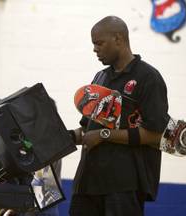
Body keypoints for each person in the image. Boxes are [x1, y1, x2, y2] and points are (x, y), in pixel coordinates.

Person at [69, 16, 170, 216]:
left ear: (118, 39)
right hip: (87, 183)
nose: (94, 49)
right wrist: (61, 137)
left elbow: (158, 135)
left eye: (99, 43)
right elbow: (89, 130)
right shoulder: (100, 77)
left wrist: (104, 135)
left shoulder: (148, 78)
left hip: (123, 186)